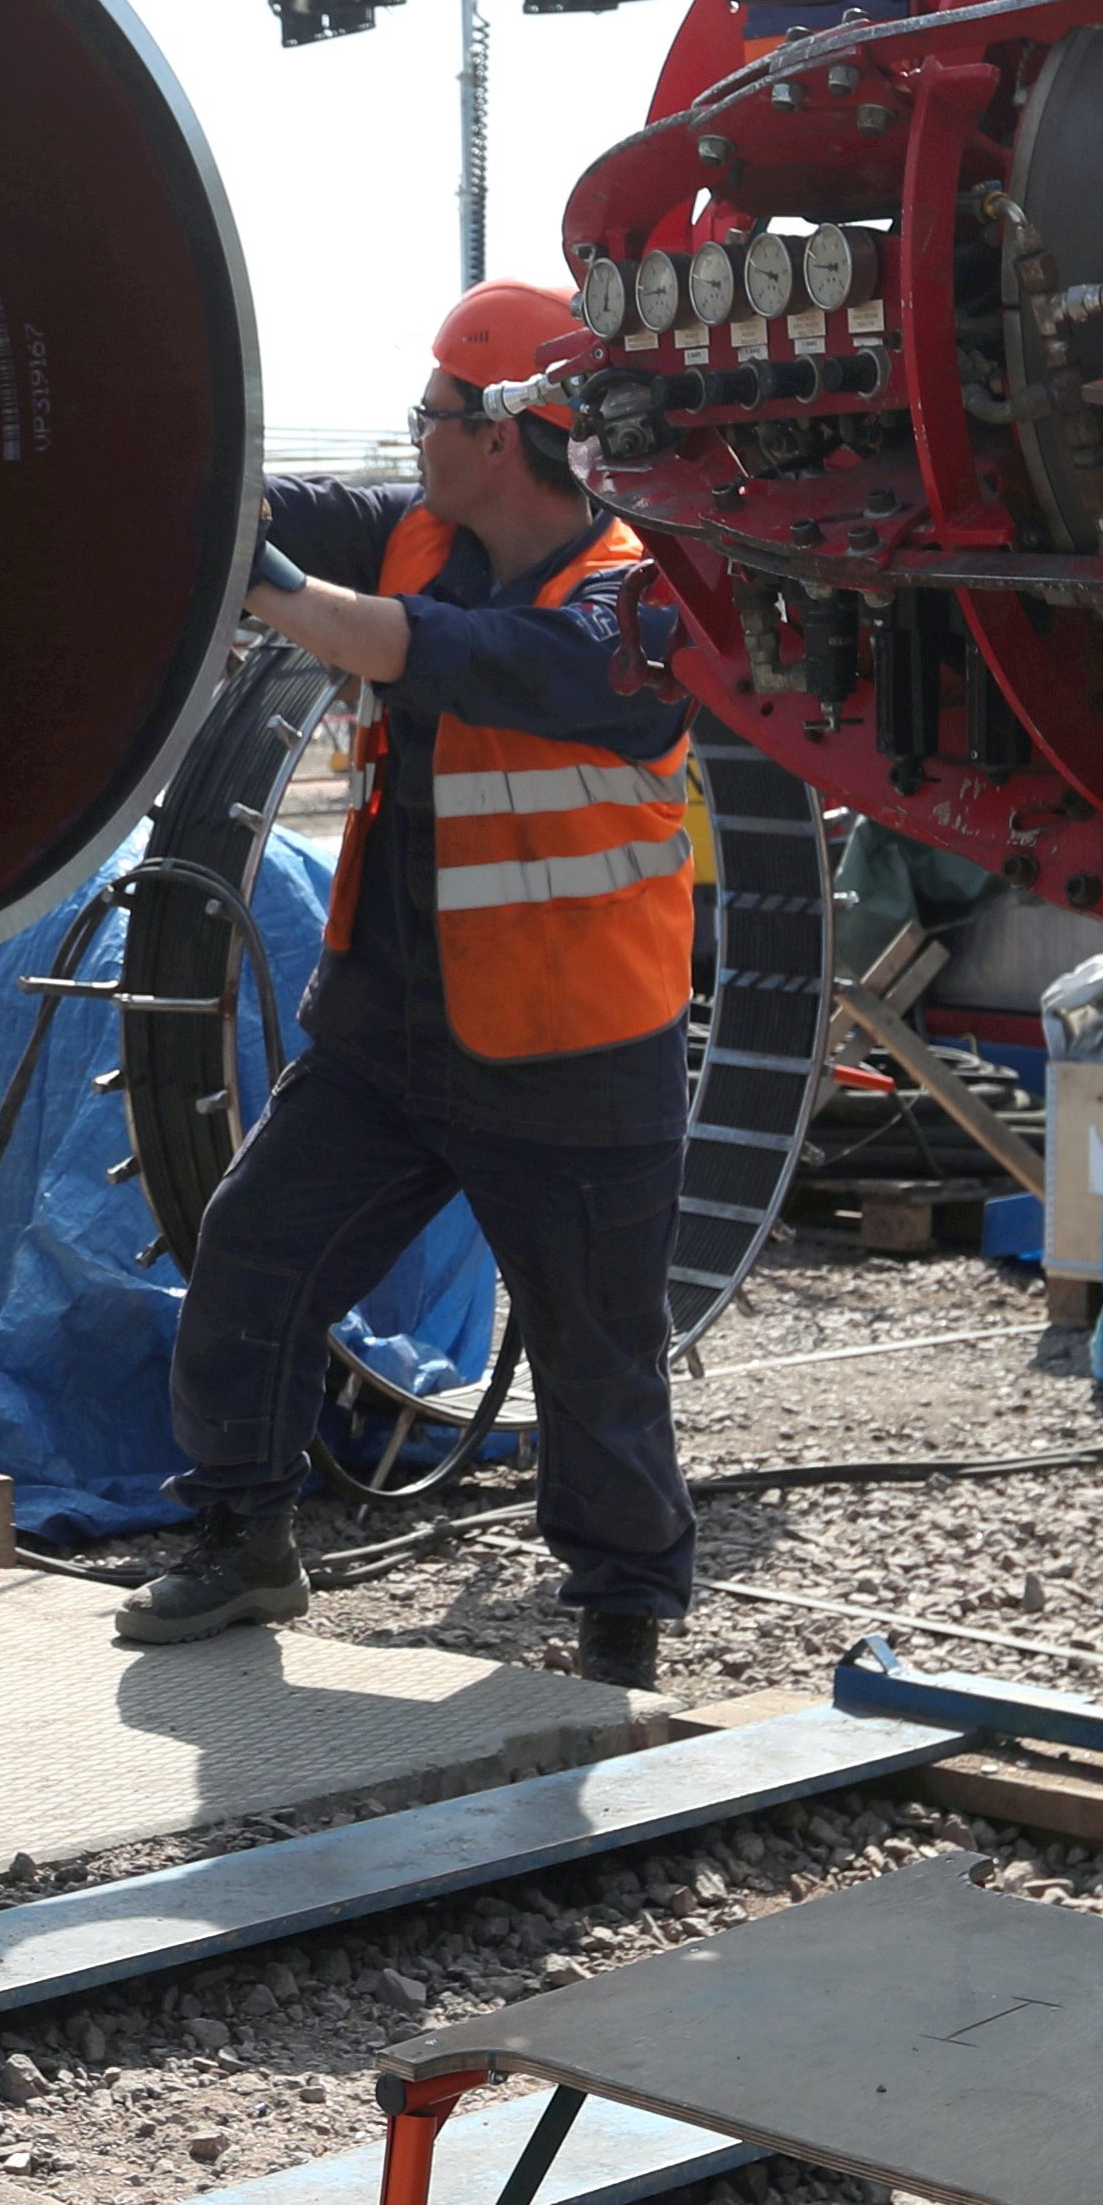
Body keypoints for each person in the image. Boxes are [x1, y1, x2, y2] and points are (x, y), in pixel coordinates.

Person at [121, 279, 699, 1690]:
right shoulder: (417, 531)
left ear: (501, 431)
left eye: (431, 411)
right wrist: (166, 474)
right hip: (392, 1028)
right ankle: (244, 1539)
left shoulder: (634, 604)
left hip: (571, 1048)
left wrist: (269, 590)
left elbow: (428, 652)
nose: (415, 433)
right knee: (255, 1251)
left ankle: (620, 1619)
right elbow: (263, 503)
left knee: (594, 1352)